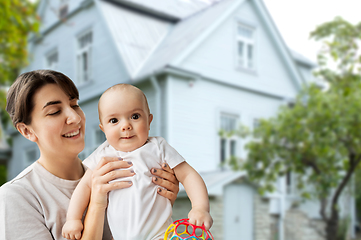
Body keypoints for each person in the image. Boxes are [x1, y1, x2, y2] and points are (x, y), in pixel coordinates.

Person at [0, 70, 180, 240]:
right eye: (55, 112)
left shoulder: (119, 169)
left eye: (74, 105)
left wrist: (160, 203)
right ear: (26, 131)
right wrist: (96, 204)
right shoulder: (17, 197)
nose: (75, 118)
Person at [62, 84, 213, 240]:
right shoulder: (102, 155)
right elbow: (84, 186)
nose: (126, 126)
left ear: (149, 121)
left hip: (161, 235)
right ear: (103, 129)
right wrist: (73, 219)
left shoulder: (158, 148)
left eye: (135, 116)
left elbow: (188, 175)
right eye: (114, 120)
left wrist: (200, 208)